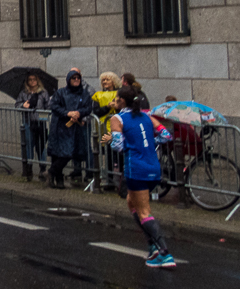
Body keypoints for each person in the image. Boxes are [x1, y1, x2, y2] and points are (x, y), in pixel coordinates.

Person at [103, 86, 176, 268]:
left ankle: (164, 252)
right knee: (131, 201)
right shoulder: (147, 116)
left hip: (136, 168)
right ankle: (152, 246)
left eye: (117, 98)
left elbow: (118, 146)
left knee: (144, 211)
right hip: (154, 167)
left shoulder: (117, 119)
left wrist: (118, 140)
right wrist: (151, 142)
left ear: (120, 101)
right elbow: (167, 136)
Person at [46, 68, 94, 189]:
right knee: (57, 153)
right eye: (74, 78)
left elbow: (88, 108)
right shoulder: (61, 92)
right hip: (60, 127)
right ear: (69, 80)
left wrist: (78, 113)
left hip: (74, 128)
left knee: (68, 153)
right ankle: (57, 179)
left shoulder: (84, 93)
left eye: (78, 78)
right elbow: (54, 106)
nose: (76, 80)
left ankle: (52, 172)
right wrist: (67, 113)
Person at [17, 72, 51, 180]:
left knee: (41, 146)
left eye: (34, 79)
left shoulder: (43, 93)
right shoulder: (23, 93)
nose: (32, 81)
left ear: (38, 80)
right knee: (29, 145)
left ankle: (43, 169)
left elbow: (49, 107)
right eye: (30, 79)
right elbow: (17, 105)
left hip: (40, 122)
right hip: (28, 122)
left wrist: (42, 113)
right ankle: (29, 168)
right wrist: (23, 105)